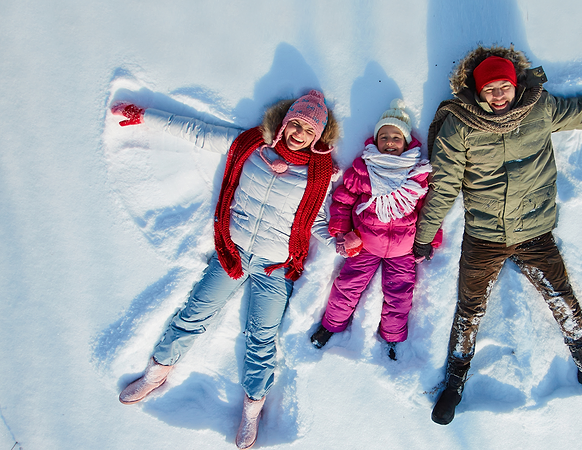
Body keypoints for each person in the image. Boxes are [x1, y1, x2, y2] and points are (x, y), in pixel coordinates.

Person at [413, 45, 582, 425]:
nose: (498, 95)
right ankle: (455, 382)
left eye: (504, 86)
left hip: (534, 230)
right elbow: (445, 185)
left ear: (516, 84)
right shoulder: (460, 125)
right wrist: (425, 235)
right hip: (484, 236)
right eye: (490, 89)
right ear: (477, 91)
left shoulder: (539, 108)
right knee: (470, 308)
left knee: (562, 297)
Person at [111, 90, 339, 449]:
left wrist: (341, 243)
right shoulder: (250, 145)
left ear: (318, 136)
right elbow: (198, 132)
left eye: (307, 130)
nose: (298, 133)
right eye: (294, 123)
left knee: (261, 338)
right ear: (283, 122)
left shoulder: (319, 175)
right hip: (232, 251)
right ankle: (157, 372)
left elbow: (319, 221)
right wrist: (145, 116)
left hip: (274, 266)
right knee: (195, 313)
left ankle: (252, 407)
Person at [309, 99, 441, 360]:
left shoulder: (417, 173)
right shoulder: (364, 168)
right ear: (376, 140)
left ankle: (392, 337)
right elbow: (344, 198)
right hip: (365, 243)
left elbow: (428, 209)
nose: (390, 142)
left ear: (406, 141)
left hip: (403, 249)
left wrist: (430, 239)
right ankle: (331, 325)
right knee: (347, 286)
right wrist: (341, 229)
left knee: (399, 294)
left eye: (396, 137)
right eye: (384, 137)